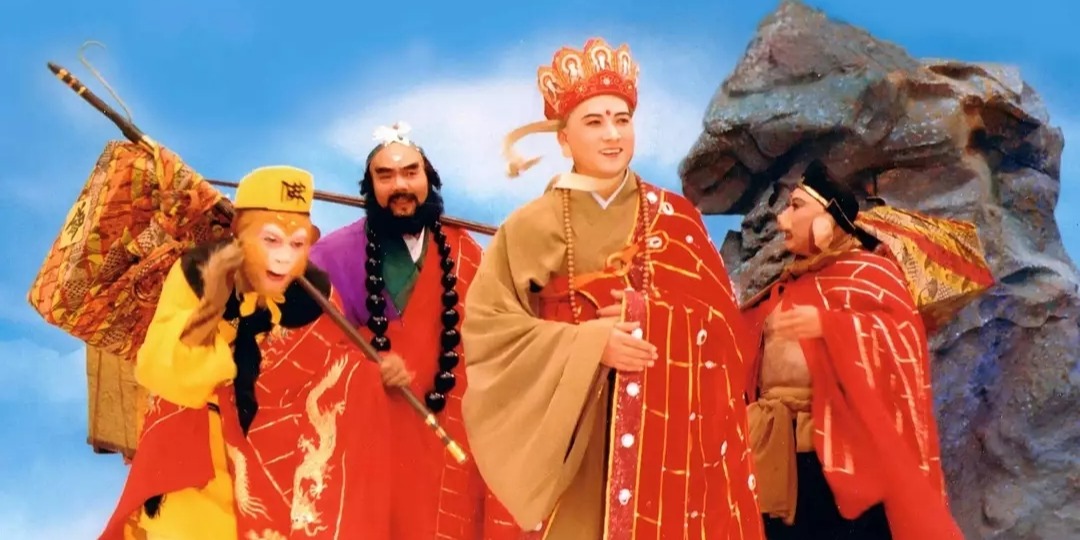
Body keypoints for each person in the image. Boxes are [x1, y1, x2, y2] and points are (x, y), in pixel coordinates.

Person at [459, 38, 766, 539]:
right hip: (571, 429)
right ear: (564, 140)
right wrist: (587, 344)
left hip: (664, 438)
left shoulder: (677, 218)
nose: (612, 135)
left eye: (622, 120)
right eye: (594, 122)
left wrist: (653, 319)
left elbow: (727, 331)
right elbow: (488, 330)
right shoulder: (529, 225)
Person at [99, 165, 392, 539]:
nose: (284, 257)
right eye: (271, 240)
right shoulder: (196, 272)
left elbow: (336, 372)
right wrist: (213, 302)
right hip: (199, 449)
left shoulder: (315, 292)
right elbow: (166, 374)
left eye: (296, 243)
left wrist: (379, 373)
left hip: (274, 454)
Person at [308, 122, 514, 538]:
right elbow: (308, 345)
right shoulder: (332, 255)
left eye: (410, 172)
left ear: (429, 180)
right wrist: (366, 364)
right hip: (373, 432)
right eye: (385, 176)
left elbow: (498, 333)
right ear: (370, 188)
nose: (400, 185)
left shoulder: (464, 251)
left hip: (448, 428)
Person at [741, 160, 963, 539]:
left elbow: (901, 342)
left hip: (842, 459)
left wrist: (832, 327)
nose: (781, 220)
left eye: (796, 207)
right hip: (776, 455)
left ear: (826, 220)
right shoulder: (787, 284)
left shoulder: (869, 275)